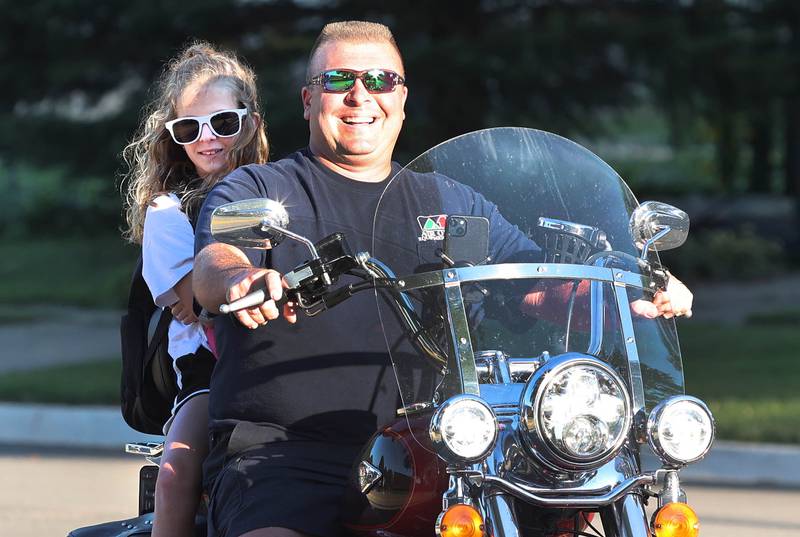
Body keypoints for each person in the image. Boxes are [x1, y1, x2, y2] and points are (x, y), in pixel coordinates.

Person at [193, 21, 693, 537]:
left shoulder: (448, 201)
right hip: (289, 454)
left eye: (381, 81)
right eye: (338, 80)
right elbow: (215, 261)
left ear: (402, 98)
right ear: (307, 99)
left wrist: (629, 289)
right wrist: (242, 279)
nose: (360, 95)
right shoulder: (261, 188)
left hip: (441, 450)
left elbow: (535, 285)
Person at [121, 41, 269, 537]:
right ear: (173, 137)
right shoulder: (169, 211)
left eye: (223, 123)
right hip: (211, 366)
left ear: (250, 123)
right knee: (178, 468)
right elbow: (194, 305)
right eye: (189, 129)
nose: (207, 139)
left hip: (279, 356)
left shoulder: (282, 190)